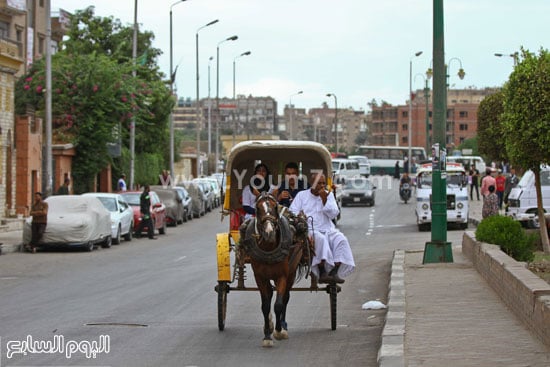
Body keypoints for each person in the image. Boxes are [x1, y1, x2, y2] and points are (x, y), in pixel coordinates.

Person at [290, 172, 355, 284]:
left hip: (328, 229)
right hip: (310, 229)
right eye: (318, 183)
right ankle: (322, 271)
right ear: (312, 183)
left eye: (323, 183)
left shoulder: (328, 195)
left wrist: (325, 200)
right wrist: (300, 216)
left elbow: (334, 214)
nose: (321, 186)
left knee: (341, 239)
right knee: (320, 239)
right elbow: (292, 211)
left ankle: (334, 272)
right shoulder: (302, 195)